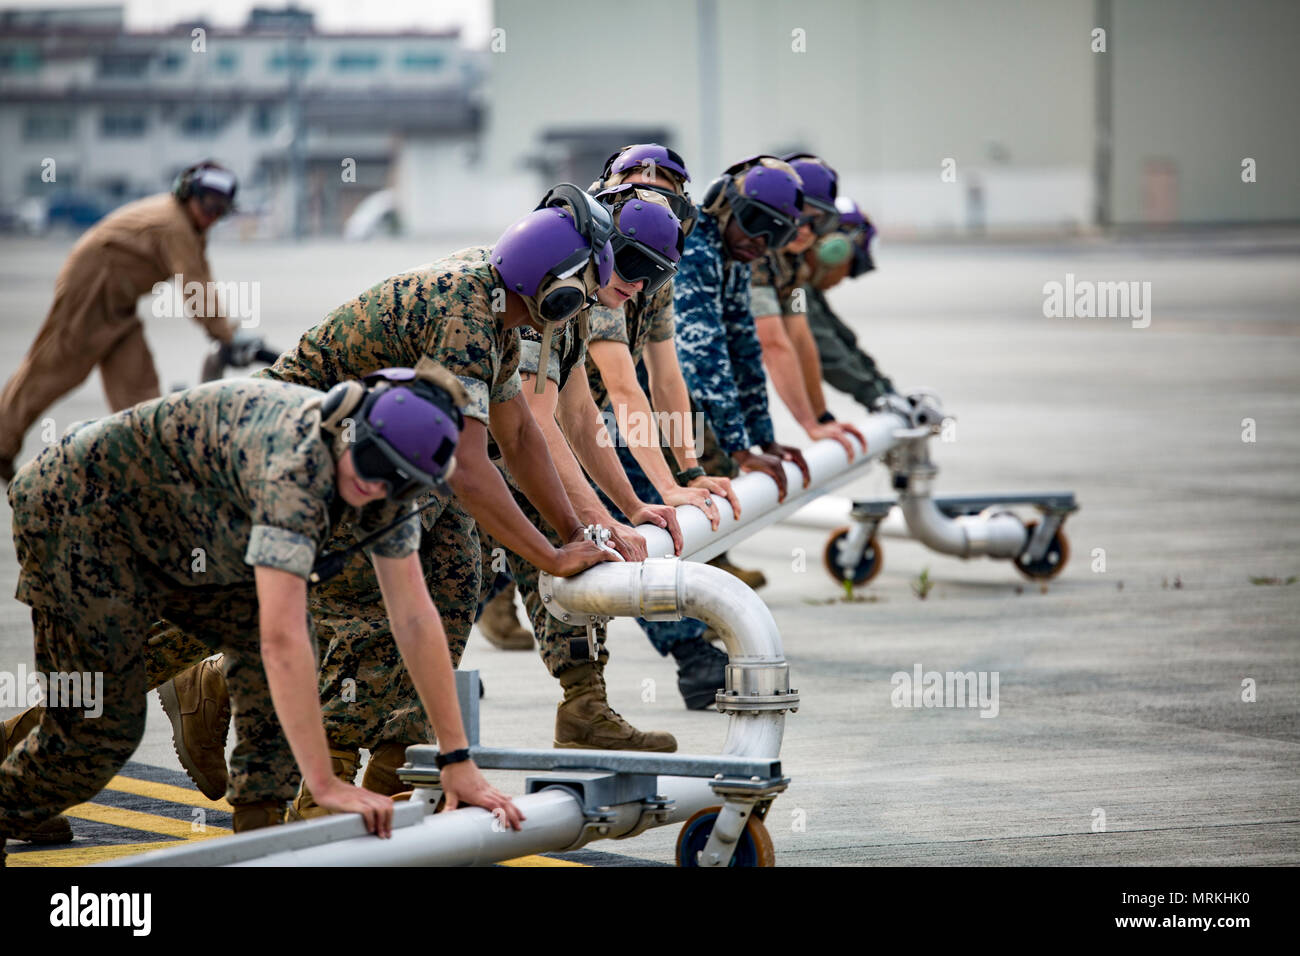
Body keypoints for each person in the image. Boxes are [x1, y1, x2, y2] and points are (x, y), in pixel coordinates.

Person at [146, 188, 619, 818]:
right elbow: (472, 471)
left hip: (364, 462)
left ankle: (395, 767)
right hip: (288, 458)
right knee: (330, 607)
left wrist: (569, 533)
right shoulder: (465, 310)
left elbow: (520, 435)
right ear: (553, 284)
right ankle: (306, 781)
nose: (591, 299)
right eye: (584, 285)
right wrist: (553, 558)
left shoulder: (501, 311)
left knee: (454, 580)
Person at [0, 367, 523, 864]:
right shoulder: (297, 464)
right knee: (100, 730)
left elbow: (414, 616)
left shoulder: (386, 474)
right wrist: (325, 784)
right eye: (375, 468)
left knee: (258, 656)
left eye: (400, 484)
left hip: (182, 527)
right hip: (77, 511)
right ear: (350, 428)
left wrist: (457, 761)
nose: (378, 488)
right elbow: (282, 638)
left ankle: (260, 832)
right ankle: (15, 796)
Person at [486, 182, 688, 744]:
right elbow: (535, 423)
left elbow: (578, 418)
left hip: (488, 464)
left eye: (656, 275)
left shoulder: (576, 301)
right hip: (434, 468)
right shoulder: (544, 288)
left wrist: (631, 506)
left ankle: (584, 708)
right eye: (630, 263)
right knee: (405, 612)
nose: (639, 283)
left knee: (576, 555)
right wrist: (599, 520)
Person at [0, 162, 242, 484]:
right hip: (91, 288)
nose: (213, 216)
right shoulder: (174, 226)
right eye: (209, 206)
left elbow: (201, 277)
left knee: (138, 383)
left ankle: (148, 467)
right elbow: (195, 289)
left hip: (118, 304)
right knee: (54, 369)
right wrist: (225, 336)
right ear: (188, 195)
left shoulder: (188, 227)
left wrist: (226, 329)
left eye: (221, 211)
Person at [749, 153, 867, 452]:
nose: (806, 231)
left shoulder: (793, 263)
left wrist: (821, 417)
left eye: (819, 222)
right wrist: (810, 426)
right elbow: (773, 344)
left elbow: (800, 336)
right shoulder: (753, 255)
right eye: (799, 217)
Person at [799, 196, 898, 413]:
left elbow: (839, 338)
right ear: (833, 252)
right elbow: (821, 346)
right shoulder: (792, 287)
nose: (840, 281)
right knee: (704, 445)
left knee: (709, 445)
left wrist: (884, 390)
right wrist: (876, 396)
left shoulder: (797, 284)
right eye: (849, 269)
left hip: (712, 398)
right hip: (707, 394)